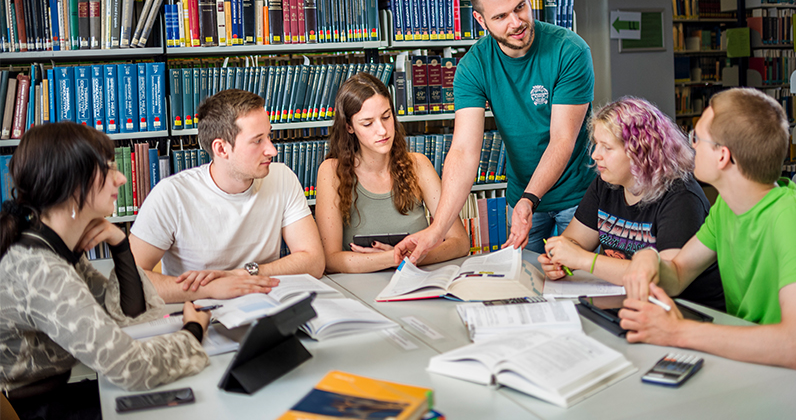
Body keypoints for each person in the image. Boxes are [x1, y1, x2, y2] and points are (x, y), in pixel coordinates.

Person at [619, 88, 796, 370]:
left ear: (723, 156)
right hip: (748, 361)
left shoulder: (795, 216)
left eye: (696, 138)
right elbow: (676, 275)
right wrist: (647, 256)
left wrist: (677, 331)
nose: (691, 145)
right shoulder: (726, 207)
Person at [0, 123, 209, 419]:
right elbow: (131, 367)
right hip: (33, 410)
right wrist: (194, 331)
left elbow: (130, 315)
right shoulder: (40, 269)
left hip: (55, 396)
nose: (121, 178)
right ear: (73, 183)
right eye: (109, 168)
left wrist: (120, 244)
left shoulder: (54, 245)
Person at [395, 0, 595, 263]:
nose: (515, 22)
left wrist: (530, 199)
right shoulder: (473, 67)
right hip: (521, 199)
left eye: (519, 7)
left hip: (578, 198)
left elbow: (562, 140)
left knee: (577, 288)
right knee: (526, 287)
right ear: (480, 20)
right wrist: (438, 229)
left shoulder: (570, 50)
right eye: (500, 16)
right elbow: (463, 152)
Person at [130, 89, 325, 303]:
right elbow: (129, 280)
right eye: (257, 140)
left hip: (266, 306)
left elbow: (314, 262)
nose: (272, 150)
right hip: (198, 315)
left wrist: (243, 274)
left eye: (269, 136)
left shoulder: (282, 178)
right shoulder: (171, 195)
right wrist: (212, 288)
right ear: (221, 149)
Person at [538, 97, 724, 310]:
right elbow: (573, 241)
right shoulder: (605, 184)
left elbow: (662, 279)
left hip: (681, 309)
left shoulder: (681, 196)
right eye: (596, 144)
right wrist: (559, 258)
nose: (595, 155)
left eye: (606, 147)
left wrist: (582, 260)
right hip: (627, 300)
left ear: (639, 153)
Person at [316, 73, 470, 273]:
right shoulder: (331, 172)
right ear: (349, 127)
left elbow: (460, 242)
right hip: (358, 293)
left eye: (386, 117)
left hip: (417, 286)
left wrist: (410, 259)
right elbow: (330, 260)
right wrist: (392, 257)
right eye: (368, 123)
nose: (382, 130)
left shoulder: (418, 165)